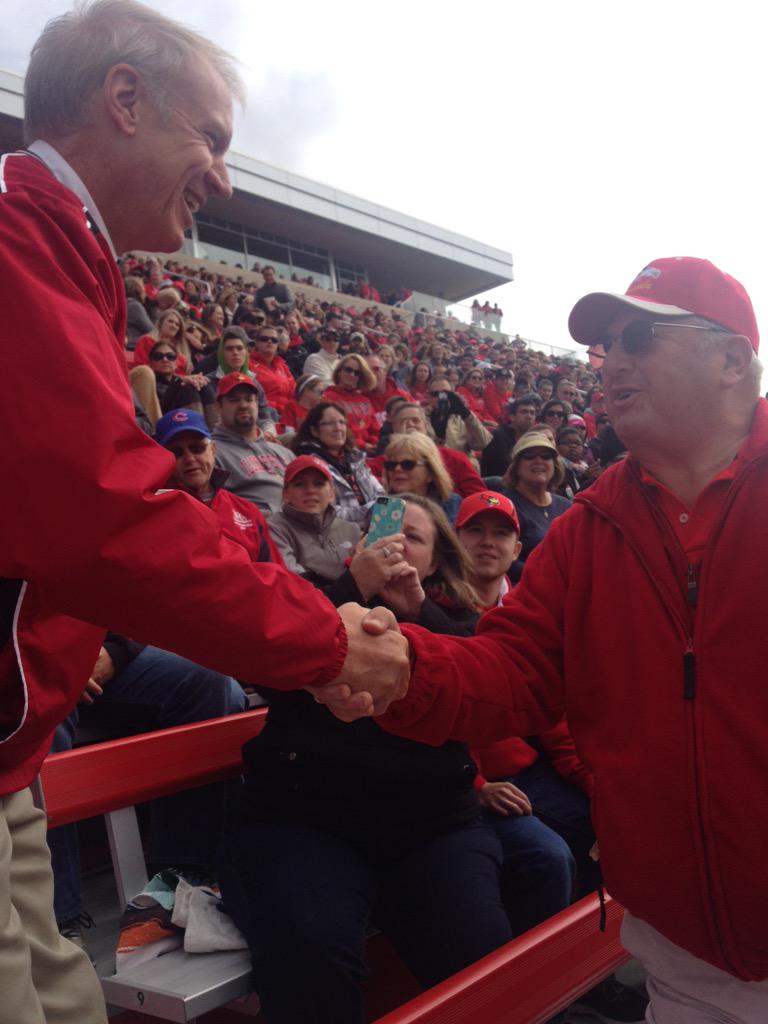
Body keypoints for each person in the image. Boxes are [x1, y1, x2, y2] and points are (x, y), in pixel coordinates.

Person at [1, 6, 412, 1016]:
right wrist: (325, 639)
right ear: (125, 101)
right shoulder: (15, 249)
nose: (224, 178)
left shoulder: (64, 260)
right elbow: (107, 522)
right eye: (214, 138)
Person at [316, 257, 768, 1024]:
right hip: (687, 951)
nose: (613, 359)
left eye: (639, 336)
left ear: (732, 360)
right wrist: (401, 668)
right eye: (606, 346)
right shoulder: (589, 527)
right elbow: (510, 667)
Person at [216, 492, 507, 1024]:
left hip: (431, 822)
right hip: (306, 819)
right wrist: (354, 588)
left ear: (436, 560)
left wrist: (420, 611)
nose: (394, 547)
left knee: (482, 963)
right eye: (381, 535)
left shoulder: (459, 615)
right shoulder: (318, 600)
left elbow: (477, 688)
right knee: (309, 953)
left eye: (411, 538)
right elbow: (267, 670)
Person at [211, 373, 295, 515]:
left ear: (257, 403)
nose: (243, 405)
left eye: (249, 399)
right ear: (219, 406)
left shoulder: (282, 451)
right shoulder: (212, 453)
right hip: (258, 526)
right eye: (234, 400)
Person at [293, 401, 383, 523]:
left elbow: (379, 491)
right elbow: (325, 510)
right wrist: (369, 512)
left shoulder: (356, 457)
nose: (338, 428)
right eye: (330, 423)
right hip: (338, 534)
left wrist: (381, 509)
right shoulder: (309, 464)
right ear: (314, 431)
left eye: (342, 422)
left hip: (374, 525)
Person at [383, 432, 462, 522]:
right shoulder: (381, 509)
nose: (397, 469)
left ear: (430, 473)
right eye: (391, 465)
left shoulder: (451, 505)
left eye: (408, 464)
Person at [322, 353, 379, 450]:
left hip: (370, 450)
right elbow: (334, 431)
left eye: (357, 373)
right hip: (343, 449)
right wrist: (362, 445)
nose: (352, 375)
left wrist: (374, 443)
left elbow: (375, 429)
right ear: (339, 371)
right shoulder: (327, 397)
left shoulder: (365, 401)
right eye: (348, 370)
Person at [480, 395, 539, 477]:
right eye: (524, 412)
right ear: (512, 417)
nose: (529, 416)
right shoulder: (498, 436)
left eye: (532, 413)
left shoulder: (534, 437)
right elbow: (502, 469)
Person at [248, 324, 295, 417]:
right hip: (266, 413)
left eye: (274, 340)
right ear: (257, 342)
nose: (269, 342)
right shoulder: (248, 363)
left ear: (277, 345)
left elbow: (293, 391)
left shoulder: (282, 365)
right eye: (264, 339)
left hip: (287, 412)